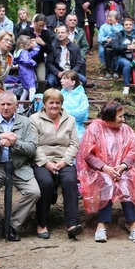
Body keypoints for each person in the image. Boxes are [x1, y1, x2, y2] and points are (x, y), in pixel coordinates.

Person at [77, 101, 135, 244]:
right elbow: (88, 155)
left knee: (126, 183)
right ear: (109, 117)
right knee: (107, 182)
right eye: (120, 116)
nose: (123, 119)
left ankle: (133, 227)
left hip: (122, 169)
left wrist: (122, 166)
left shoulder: (126, 129)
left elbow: (133, 150)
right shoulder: (95, 128)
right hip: (99, 170)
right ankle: (101, 226)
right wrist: (105, 168)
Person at [0, 91, 41, 245]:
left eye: (10, 104)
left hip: (19, 166)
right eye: (3, 104)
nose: (6, 107)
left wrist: (16, 142)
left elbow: (32, 148)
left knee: (34, 192)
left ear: (16, 106)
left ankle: (12, 225)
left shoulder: (26, 122)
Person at [30, 89, 83, 240]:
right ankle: (42, 223)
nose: (54, 105)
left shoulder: (70, 119)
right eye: (51, 102)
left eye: (57, 103)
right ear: (44, 104)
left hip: (63, 161)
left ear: (61, 104)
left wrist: (64, 161)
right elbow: (34, 144)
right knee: (45, 183)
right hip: (42, 161)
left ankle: (72, 225)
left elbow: (74, 144)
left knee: (70, 181)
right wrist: (46, 163)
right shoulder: (34, 119)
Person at [113, 18, 135, 95]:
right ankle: (126, 86)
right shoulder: (119, 35)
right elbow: (115, 48)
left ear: (133, 26)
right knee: (127, 64)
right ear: (123, 26)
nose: (128, 26)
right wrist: (127, 47)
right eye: (126, 25)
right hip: (123, 57)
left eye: (130, 25)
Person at [60, 70, 89, 141]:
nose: (61, 81)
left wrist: (63, 112)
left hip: (77, 129)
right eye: (61, 78)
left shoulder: (82, 96)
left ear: (73, 82)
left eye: (64, 79)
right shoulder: (59, 95)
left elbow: (81, 114)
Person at [14, 35, 40, 104]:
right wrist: (33, 62)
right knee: (32, 89)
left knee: (26, 90)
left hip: (22, 73)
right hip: (27, 73)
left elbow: (31, 54)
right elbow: (26, 60)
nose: (30, 46)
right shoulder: (24, 52)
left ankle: (20, 106)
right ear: (22, 45)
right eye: (28, 45)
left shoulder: (19, 52)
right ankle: (32, 105)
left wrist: (36, 47)